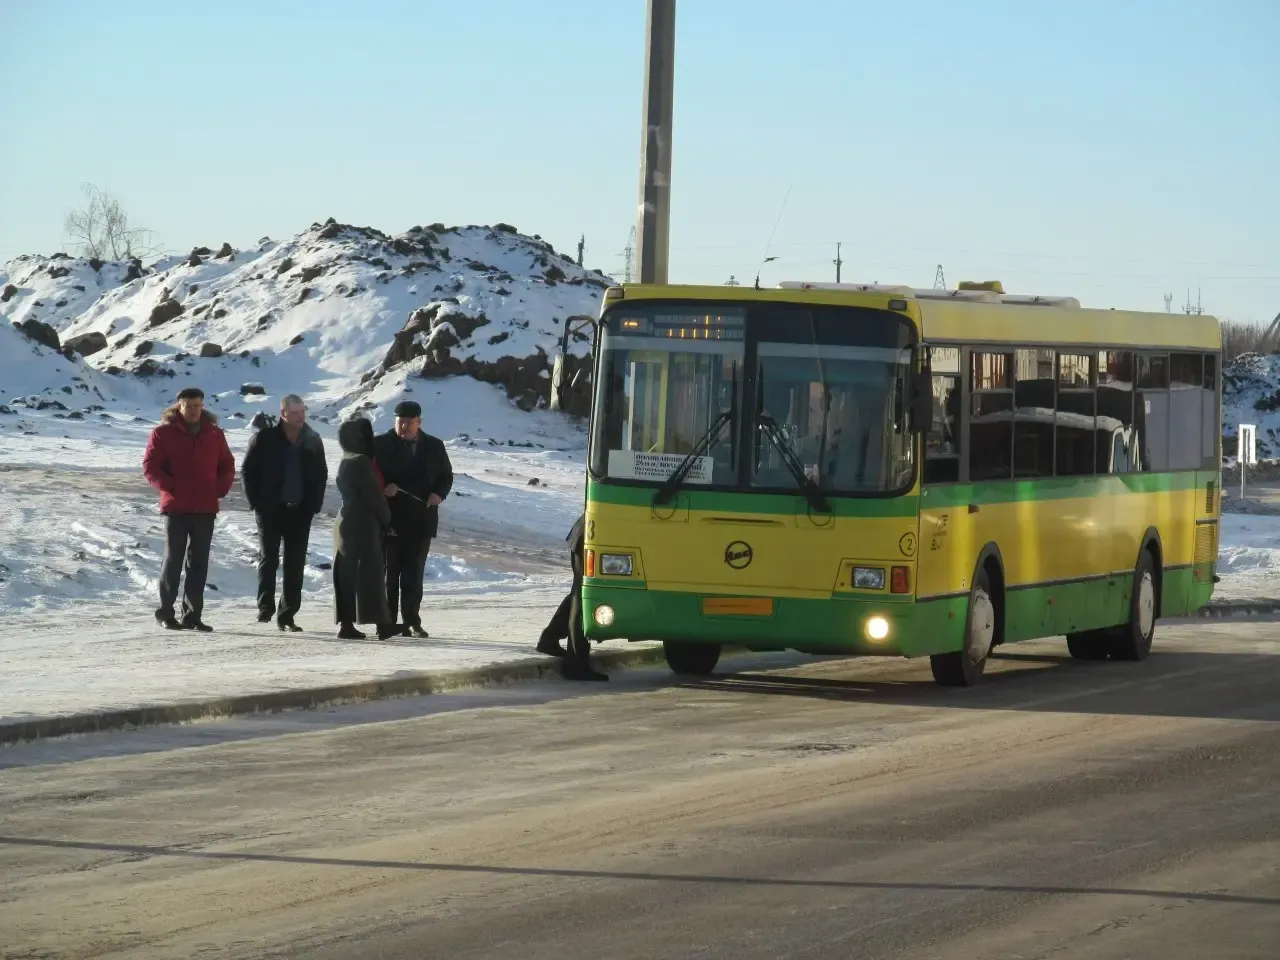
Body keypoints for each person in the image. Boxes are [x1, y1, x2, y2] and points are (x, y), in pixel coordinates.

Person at [141, 386, 235, 631]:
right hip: (177, 507)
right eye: (188, 406)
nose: (193, 411)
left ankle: (192, 616)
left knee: (199, 563)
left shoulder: (214, 433)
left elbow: (227, 464)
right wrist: (171, 486)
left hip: (206, 507)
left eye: (197, 406)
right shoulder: (163, 433)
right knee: (173, 560)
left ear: (202, 406)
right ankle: (166, 613)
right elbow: (151, 466)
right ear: (179, 406)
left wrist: (219, 488)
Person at [241, 394, 328, 631]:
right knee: (269, 558)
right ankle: (265, 607)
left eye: (302, 412)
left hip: (300, 511)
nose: (300, 417)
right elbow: (248, 471)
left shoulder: (313, 439)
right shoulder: (264, 438)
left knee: (295, 563)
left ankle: (287, 615)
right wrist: (255, 503)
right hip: (269, 509)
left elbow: (321, 474)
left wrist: (314, 505)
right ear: (283, 414)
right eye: (295, 413)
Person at [373, 399, 453, 638]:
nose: (404, 426)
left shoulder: (434, 446)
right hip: (390, 520)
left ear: (419, 422)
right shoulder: (379, 444)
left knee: (413, 574)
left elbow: (446, 476)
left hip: (421, 519)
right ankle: (386, 622)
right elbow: (369, 477)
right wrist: (383, 489)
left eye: (409, 422)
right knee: (389, 573)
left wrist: (438, 494)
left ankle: (411, 621)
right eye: (400, 422)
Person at [333, 417, 398, 641]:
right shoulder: (361, 461)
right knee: (372, 576)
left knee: (348, 575)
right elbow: (375, 497)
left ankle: (350, 624)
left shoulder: (346, 459)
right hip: (363, 524)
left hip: (346, 522)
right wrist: (387, 519)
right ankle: (381, 625)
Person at [537, 513, 608, 681]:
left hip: (591, 534)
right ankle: (575, 664)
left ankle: (550, 638)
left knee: (580, 594)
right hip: (591, 536)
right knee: (583, 596)